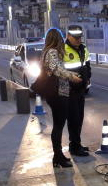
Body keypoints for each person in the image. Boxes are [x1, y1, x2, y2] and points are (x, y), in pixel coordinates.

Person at [40, 28, 83, 168]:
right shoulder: (52, 52)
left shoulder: (47, 51)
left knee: (58, 125)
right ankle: (58, 157)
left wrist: (71, 74)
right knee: (58, 126)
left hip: (57, 93)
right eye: (60, 39)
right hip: (57, 94)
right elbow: (56, 70)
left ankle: (58, 156)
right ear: (57, 39)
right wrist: (72, 77)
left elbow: (58, 69)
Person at [63, 25, 92, 157]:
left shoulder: (83, 49)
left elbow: (87, 64)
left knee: (79, 118)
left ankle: (77, 144)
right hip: (69, 90)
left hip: (80, 89)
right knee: (73, 119)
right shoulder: (63, 50)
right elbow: (60, 71)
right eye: (75, 38)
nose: (78, 40)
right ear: (68, 36)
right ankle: (74, 147)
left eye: (79, 37)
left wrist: (87, 78)